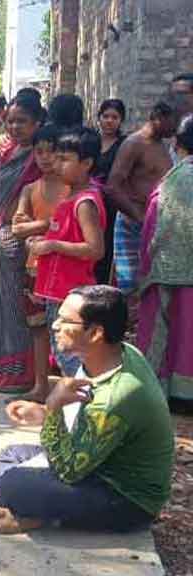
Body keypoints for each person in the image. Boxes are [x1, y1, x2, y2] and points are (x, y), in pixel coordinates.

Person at [0, 286, 173, 535]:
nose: (55, 325)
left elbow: (68, 470)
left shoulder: (118, 396)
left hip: (125, 499)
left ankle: (35, 516)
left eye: (65, 320)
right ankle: (35, 511)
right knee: (12, 455)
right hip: (95, 465)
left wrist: (54, 407)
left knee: (11, 485)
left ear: (95, 333)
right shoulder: (117, 353)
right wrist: (45, 413)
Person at [0, 96, 43, 392]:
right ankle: (1, 365)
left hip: (16, 241)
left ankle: (19, 372)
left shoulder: (38, 157)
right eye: (10, 121)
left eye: (22, 121)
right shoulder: (13, 150)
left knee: (15, 307)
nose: (14, 126)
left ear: (37, 123)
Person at [32, 128, 107, 379]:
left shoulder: (85, 202)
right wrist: (44, 241)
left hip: (70, 291)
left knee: (69, 354)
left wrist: (52, 246)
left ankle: (89, 404)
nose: (56, 163)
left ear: (86, 164)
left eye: (65, 159)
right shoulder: (70, 196)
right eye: (57, 157)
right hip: (56, 290)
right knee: (62, 352)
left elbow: (95, 249)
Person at [137, 113, 193, 402]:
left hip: (164, 270)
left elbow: (150, 229)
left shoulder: (170, 182)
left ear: (179, 145)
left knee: (164, 332)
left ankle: (160, 391)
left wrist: (144, 272)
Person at [12, 125, 68, 401]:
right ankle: (40, 385)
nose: (45, 158)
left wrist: (40, 226)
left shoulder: (73, 188)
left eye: (52, 151)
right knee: (37, 327)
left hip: (65, 269)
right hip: (35, 266)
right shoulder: (29, 189)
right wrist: (51, 224)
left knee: (68, 327)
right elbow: (17, 229)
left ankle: (70, 387)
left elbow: (68, 226)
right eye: (39, 152)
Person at [106, 99, 177, 297]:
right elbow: (112, 187)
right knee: (131, 290)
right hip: (133, 223)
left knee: (151, 287)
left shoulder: (161, 145)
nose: (177, 127)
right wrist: (139, 217)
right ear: (158, 118)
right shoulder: (134, 143)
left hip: (155, 224)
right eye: (174, 121)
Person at [93, 99, 127, 284]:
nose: (109, 121)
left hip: (111, 205)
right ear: (99, 118)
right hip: (89, 202)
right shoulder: (91, 141)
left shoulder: (124, 145)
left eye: (115, 117)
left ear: (121, 120)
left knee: (106, 248)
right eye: (105, 116)